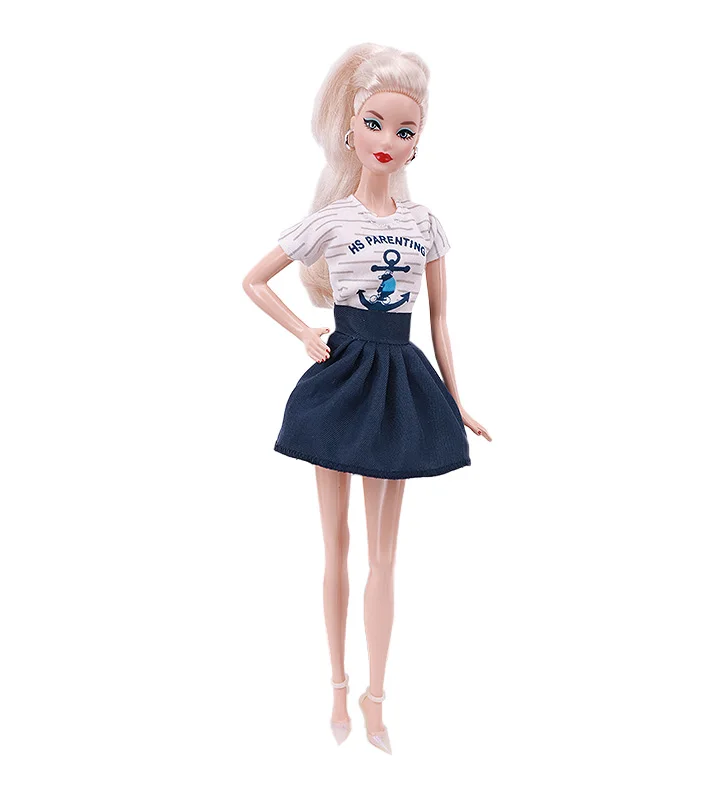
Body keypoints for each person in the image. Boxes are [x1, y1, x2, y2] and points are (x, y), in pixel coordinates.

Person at [242, 43, 491, 754]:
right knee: (337, 546)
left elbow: (440, 322)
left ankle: (376, 700)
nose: (388, 140)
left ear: (418, 143)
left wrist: (456, 400)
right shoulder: (331, 219)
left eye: (404, 130)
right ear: (350, 127)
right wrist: (303, 331)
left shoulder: (424, 224)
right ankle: (337, 689)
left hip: (401, 379)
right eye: (375, 124)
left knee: (385, 555)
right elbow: (254, 280)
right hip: (343, 373)